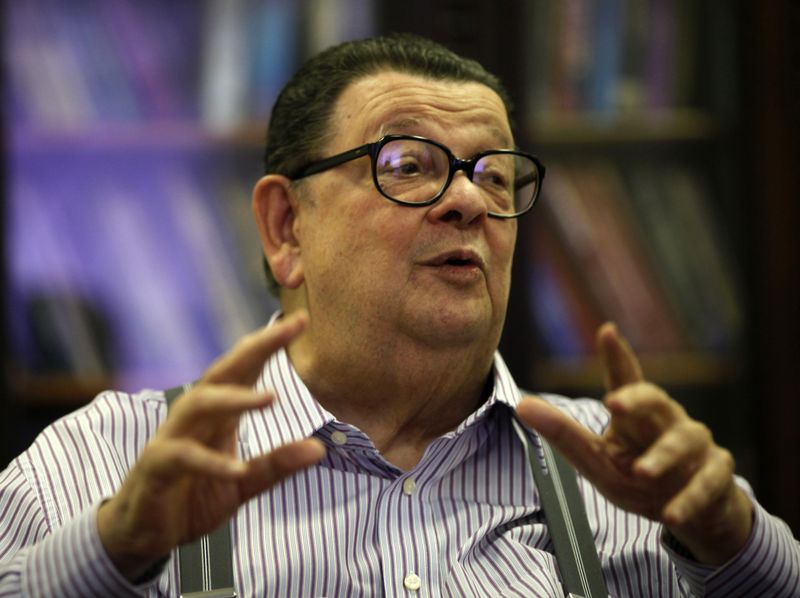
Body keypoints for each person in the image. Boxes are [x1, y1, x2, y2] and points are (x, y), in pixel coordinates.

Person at [1, 34, 798, 597]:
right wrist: (115, 553)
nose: (466, 201)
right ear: (286, 229)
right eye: (409, 166)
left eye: (494, 174)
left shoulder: (631, 477)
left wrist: (733, 540)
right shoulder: (105, 465)